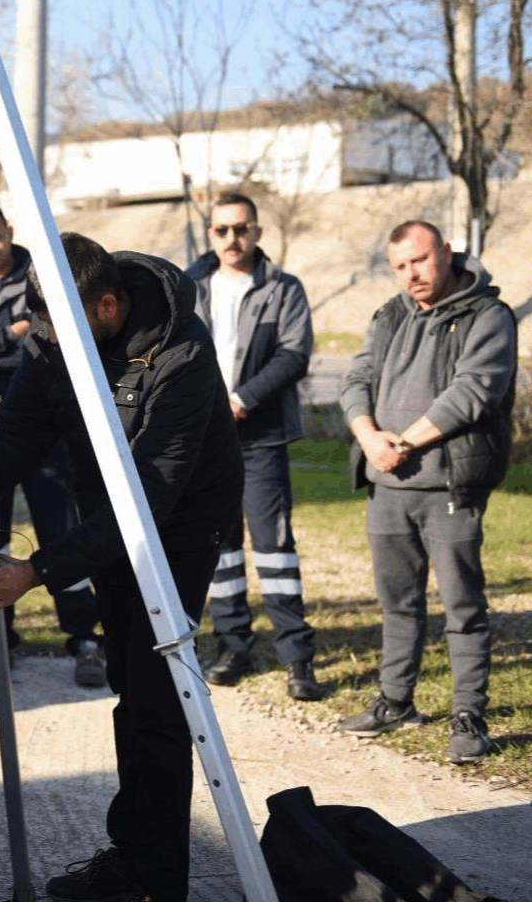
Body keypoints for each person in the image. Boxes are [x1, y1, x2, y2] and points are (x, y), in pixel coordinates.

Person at [0, 234, 243, 902]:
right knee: (129, 687)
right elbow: (22, 428)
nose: (47, 338)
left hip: (178, 529)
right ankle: (130, 858)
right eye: (43, 324)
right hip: (109, 518)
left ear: (106, 305)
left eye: (59, 326)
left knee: (158, 700)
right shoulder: (57, 332)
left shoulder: (182, 355)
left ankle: (159, 881)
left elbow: (151, 496)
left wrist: (37, 572)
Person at [337, 220, 516, 765]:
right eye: (399, 266)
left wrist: (404, 442)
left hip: (448, 485)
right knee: (398, 604)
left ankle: (469, 716)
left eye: (419, 260)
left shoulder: (488, 315)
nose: (411, 274)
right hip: (386, 483)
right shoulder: (389, 314)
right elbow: (355, 380)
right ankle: (395, 701)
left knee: (463, 606)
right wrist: (369, 438)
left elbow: (473, 391)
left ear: (447, 251)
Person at [0, 201, 104, 687]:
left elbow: (53, 337)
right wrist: (13, 333)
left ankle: (85, 638)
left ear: (8, 231)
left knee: (61, 530)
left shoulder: (39, 275)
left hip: (46, 427)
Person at [185, 192, 326, 701]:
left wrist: (241, 400)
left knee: (274, 548)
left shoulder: (282, 288)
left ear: (257, 232)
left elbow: (293, 355)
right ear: (210, 234)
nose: (232, 239)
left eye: (241, 229)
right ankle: (233, 646)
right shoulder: (189, 286)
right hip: (206, 439)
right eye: (222, 230)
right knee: (220, 547)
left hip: (260, 436)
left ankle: (296, 657)